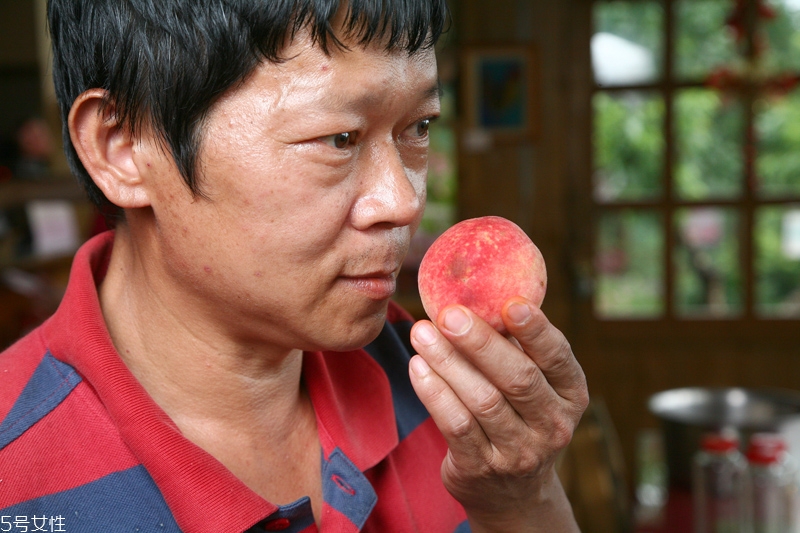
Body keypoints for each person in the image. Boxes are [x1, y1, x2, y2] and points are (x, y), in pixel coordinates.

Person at [0, 1, 589, 531]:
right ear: (123, 147)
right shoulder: (14, 476)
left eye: (419, 126)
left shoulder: (450, 394)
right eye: (338, 137)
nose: (406, 202)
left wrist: (521, 501)